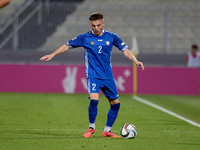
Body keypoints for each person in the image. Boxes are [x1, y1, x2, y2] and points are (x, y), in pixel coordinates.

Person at [40, 12, 145, 138]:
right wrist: (53, 54)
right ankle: (91, 127)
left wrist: (135, 60)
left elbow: (126, 50)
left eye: (98, 25)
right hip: (93, 75)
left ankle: (107, 130)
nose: (95, 28)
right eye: (93, 25)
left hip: (108, 76)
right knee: (94, 100)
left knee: (116, 104)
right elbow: (67, 45)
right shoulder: (85, 38)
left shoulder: (112, 37)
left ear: (103, 23)